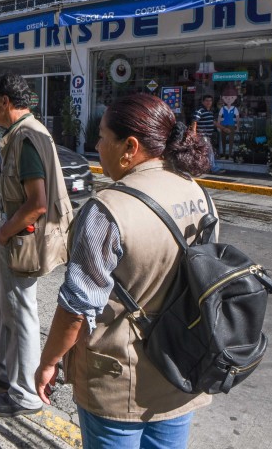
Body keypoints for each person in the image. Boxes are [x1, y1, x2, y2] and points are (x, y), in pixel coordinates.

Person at [34, 93, 214, 449]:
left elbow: (76, 308)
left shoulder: (108, 210)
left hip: (119, 381)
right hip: (182, 367)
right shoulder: (199, 192)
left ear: (129, 146)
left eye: (102, 137)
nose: (96, 145)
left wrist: (48, 361)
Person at [0, 72, 73, 418]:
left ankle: (26, 393)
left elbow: (38, 202)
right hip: (20, 233)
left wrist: (4, 233)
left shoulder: (26, 137)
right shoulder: (30, 131)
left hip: (21, 236)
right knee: (6, 305)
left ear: (5, 102)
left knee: (21, 312)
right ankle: (1, 368)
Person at [192, 94, 222, 174]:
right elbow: (194, 122)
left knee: (203, 152)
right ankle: (213, 168)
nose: (209, 102)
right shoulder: (200, 110)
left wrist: (224, 129)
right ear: (203, 102)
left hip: (207, 136)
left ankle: (202, 168)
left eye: (210, 101)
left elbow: (214, 122)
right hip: (202, 135)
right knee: (209, 151)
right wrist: (194, 134)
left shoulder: (209, 112)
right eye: (207, 101)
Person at [216, 85, 240, 158]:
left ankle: (229, 155)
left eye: (231, 98)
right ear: (223, 98)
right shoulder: (222, 108)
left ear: (235, 98)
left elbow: (237, 118)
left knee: (231, 140)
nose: (229, 99)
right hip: (223, 126)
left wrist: (238, 126)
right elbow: (219, 117)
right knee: (223, 140)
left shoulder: (235, 108)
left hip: (232, 125)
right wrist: (218, 126)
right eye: (226, 98)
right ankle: (223, 154)